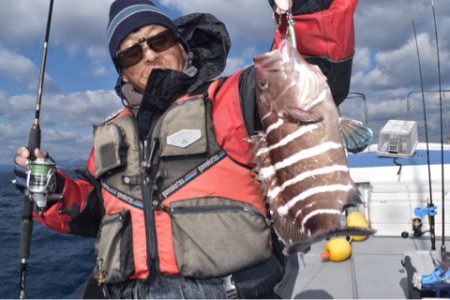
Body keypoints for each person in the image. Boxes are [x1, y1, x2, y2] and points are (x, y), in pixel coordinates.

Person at [14, 0, 357, 298]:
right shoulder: (109, 133)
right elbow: (92, 211)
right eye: (133, 52)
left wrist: (307, 6)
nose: (149, 54)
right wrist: (55, 189)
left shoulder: (230, 100)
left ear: (182, 46)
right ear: (123, 72)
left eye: (159, 39)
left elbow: (311, 67)